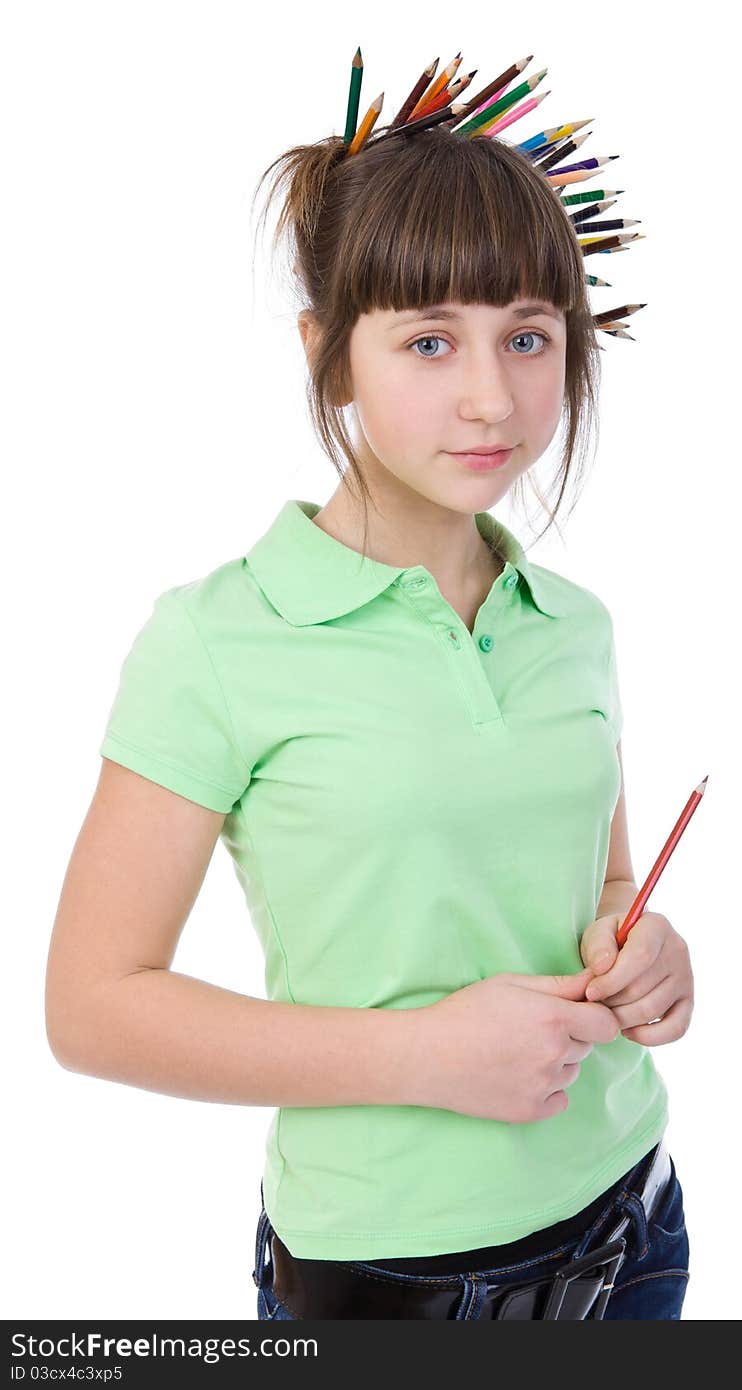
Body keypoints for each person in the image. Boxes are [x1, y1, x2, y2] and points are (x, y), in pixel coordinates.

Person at [44, 115, 694, 1321]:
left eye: (529, 337)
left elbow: (601, 889)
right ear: (329, 355)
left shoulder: (573, 624)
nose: (489, 395)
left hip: (633, 1218)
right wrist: (422, 1058)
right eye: (430, 342)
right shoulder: (217, 642)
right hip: (394, 1277)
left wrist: (645, 952)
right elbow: (91, 1006)